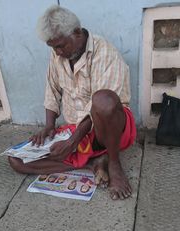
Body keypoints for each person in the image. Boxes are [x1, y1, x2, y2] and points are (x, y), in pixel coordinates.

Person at [8, 5, 136, 200]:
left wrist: (72, 142)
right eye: (53, 47)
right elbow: (52, 88)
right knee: (17, 161)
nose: (57, 52)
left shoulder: (105, 53)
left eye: (60, 46)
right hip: (77, 131)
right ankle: (92, 163)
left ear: (77, 33)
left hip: (111, 130)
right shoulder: (59, 53)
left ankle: (113, 163)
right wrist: (49, 127)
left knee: (103, 100)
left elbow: (103, 107)